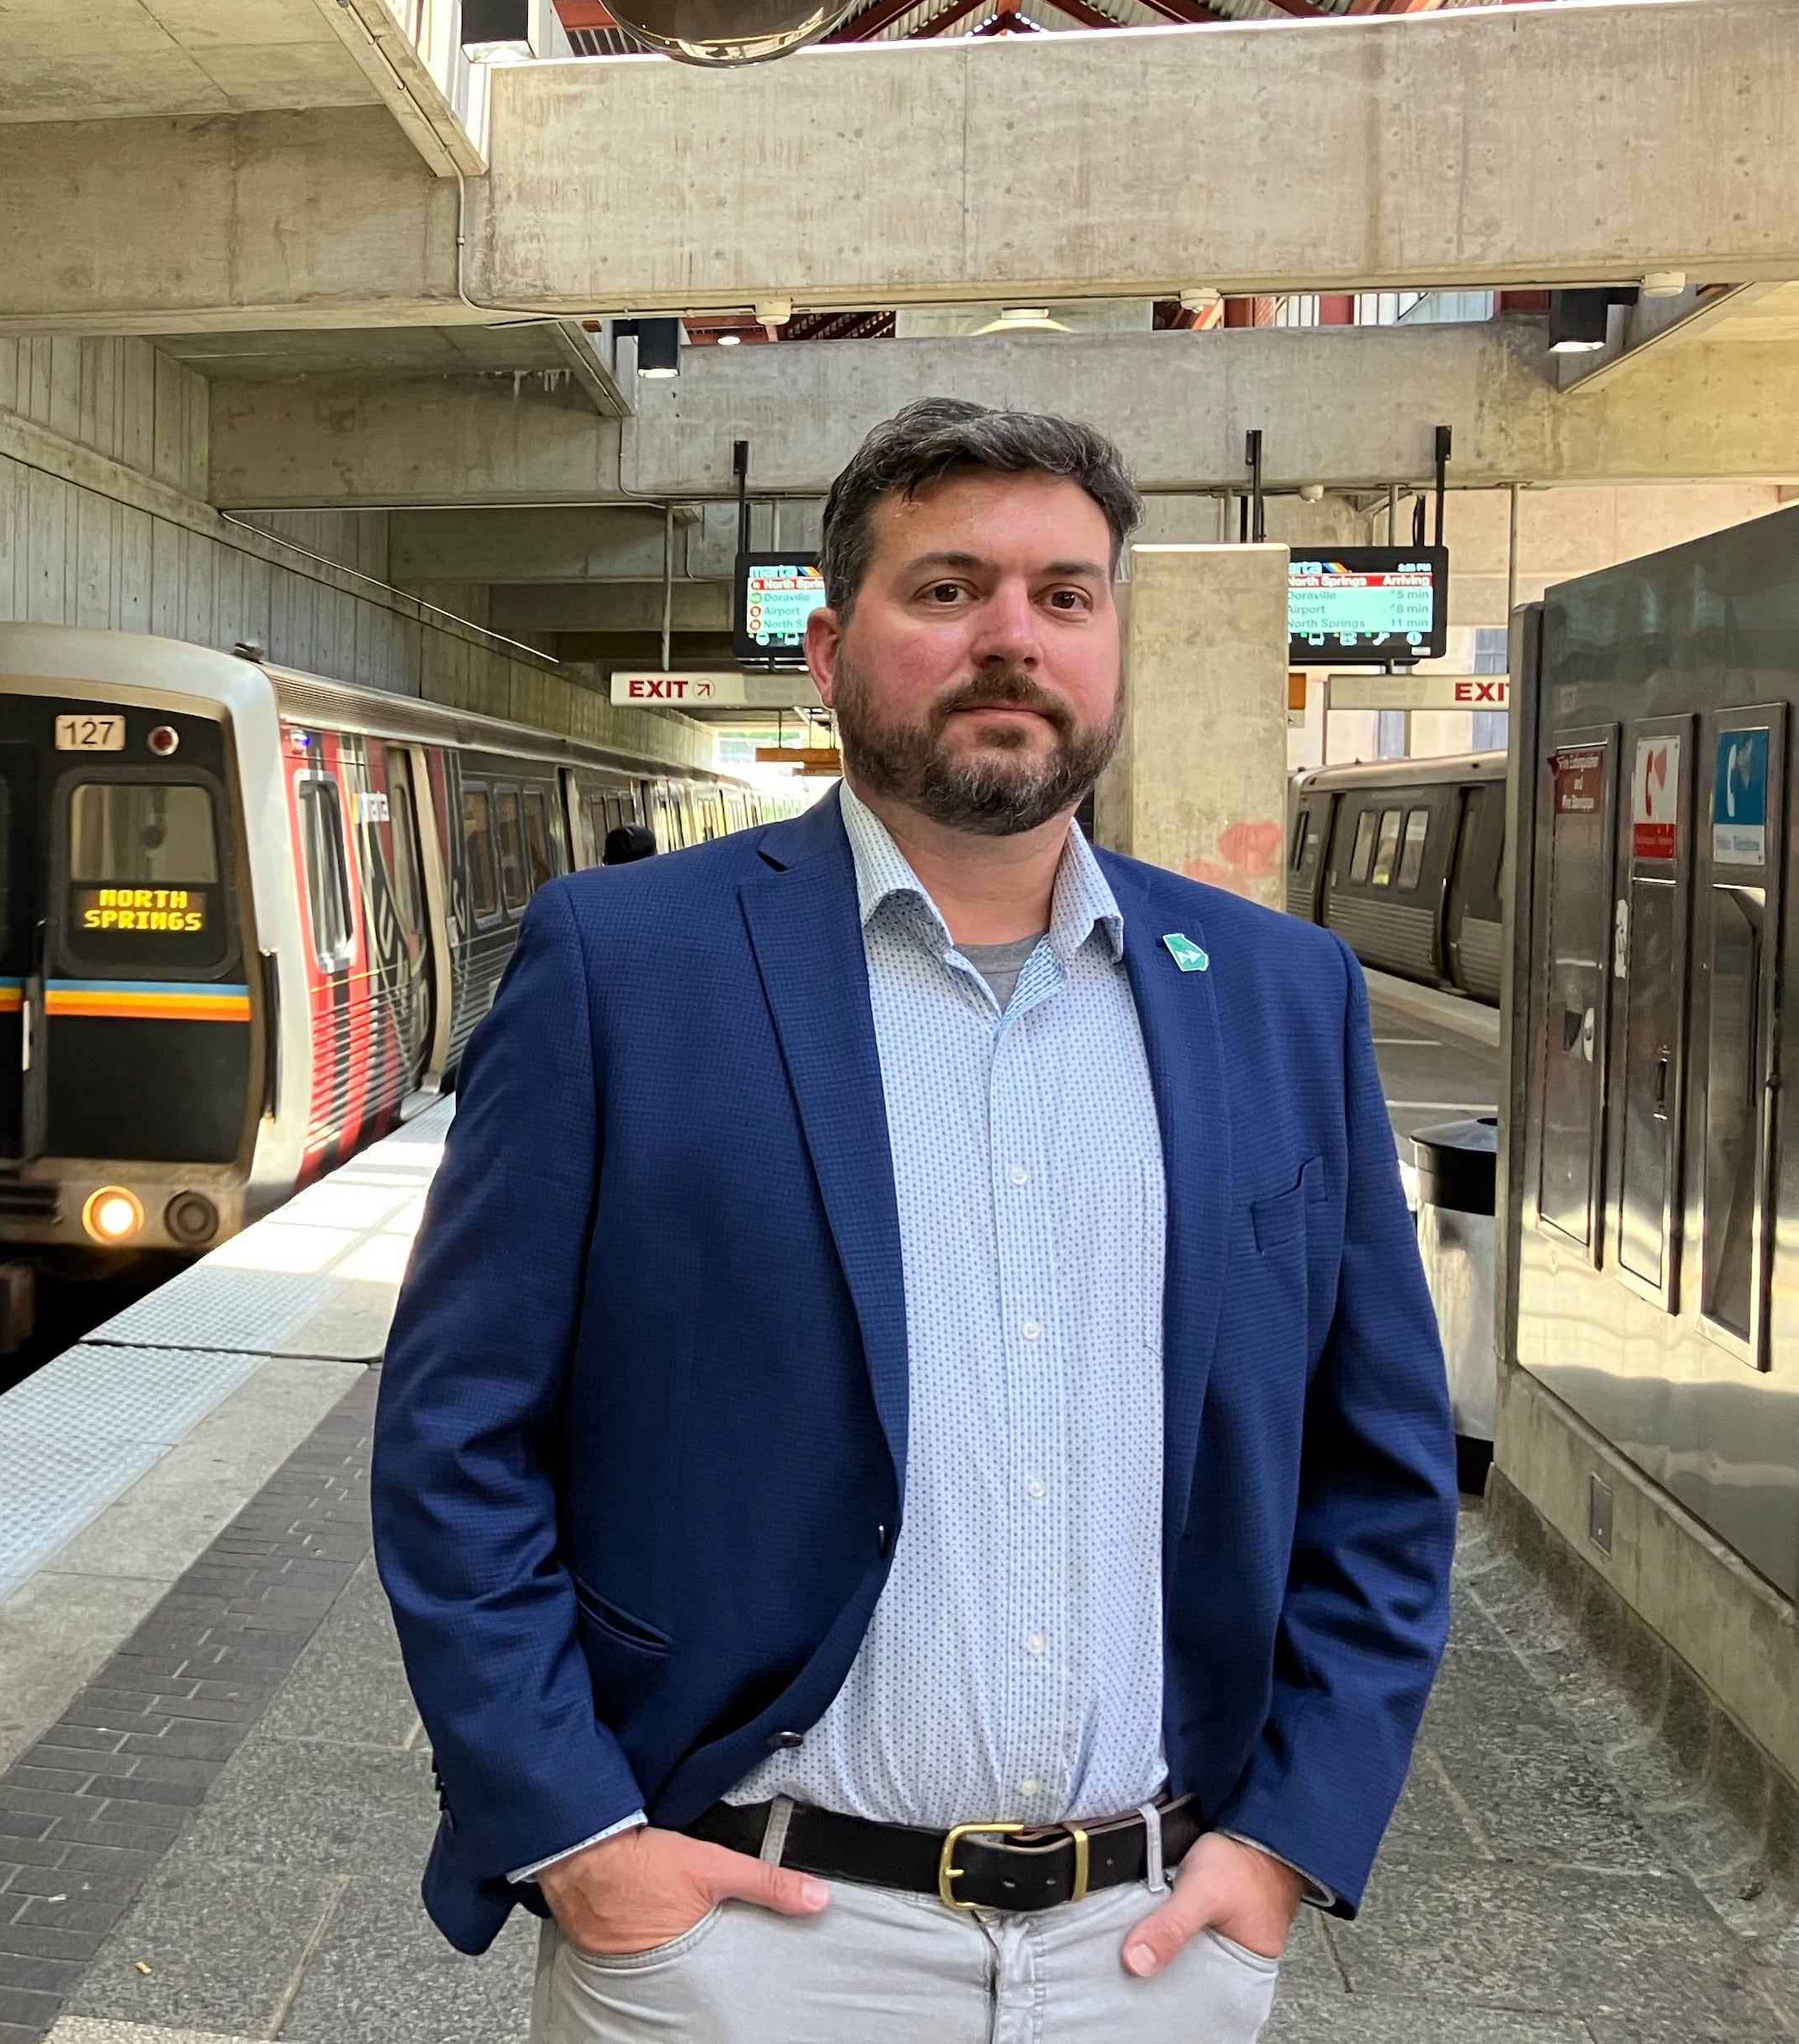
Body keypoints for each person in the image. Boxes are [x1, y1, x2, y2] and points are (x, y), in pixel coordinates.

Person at [372, 398, 1457, 2042]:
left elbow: (1381, 1463)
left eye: (1065, 596)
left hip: (1152, 1946)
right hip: (742, 1944)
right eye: (948, 590)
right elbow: (458, 1432)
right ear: (829, 650)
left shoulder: (1278, 994)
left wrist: (1292, 1839)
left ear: (1111, 647)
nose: (1013, 637)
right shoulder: (624, 966)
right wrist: (578, 1838)